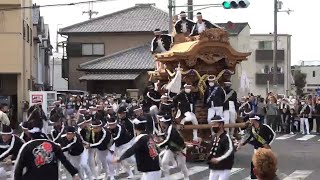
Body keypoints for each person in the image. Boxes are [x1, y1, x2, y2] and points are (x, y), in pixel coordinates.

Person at [14, 126, 79, 180]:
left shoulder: (26, 146)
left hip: (32, 176)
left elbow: (19, 166)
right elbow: (64, 160)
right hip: (51, 176)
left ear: (30, 135)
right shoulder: (53, 145)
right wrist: (73, 173)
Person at [238, 114, 276, 180]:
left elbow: (273, 134)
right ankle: (254, 177)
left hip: (264, 149)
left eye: (250, 120)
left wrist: (268, 143)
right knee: (254, 163)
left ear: (254, 120)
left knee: (265, 164)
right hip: (256, 148)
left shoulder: (264, 127)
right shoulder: (252, 128)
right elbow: (248, 137)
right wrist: (241, 144)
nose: (249, 121)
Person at [158, 115, 189, 180]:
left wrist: (158, 146)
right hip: (171, 148)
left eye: (162, 122)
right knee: (164, 162)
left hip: (180, 148)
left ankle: (186, 177)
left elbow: (167, 140)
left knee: (181, 164)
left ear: (165, 123)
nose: (161, 123)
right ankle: (168, 177)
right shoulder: (167, 128)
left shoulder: (172, 129)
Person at [207, 115, 235, 180]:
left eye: (215, 124)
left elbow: (230, 151)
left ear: (221, 125)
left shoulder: (226, 137)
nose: (213, 126)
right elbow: (210, 150)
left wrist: (218, 159)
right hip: (214, 167)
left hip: (224, 167)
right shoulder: (213, 137)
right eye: (212, 124)